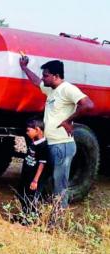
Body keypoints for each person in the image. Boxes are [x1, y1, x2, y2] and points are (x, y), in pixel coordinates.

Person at [19, 57, 94, 221]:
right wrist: (24, 68)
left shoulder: (68, 89)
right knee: (41, 181)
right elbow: (36, 81)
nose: (43, 78)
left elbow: (88, 104)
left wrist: (69, 120)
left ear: (56, 75)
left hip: (62, 146)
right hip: (50, 145)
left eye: (46, 75)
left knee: (59, 186)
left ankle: (57, 222)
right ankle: (32, 216)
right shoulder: (51, 89)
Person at [16, 118, 48, 225]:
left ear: (37, 130)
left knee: (31, 197)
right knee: (22, 194)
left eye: (28, 130)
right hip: (26, 174)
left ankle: (30, 219)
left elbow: (42, 163)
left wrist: (35, 180)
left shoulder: (43, 146)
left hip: (33, 177)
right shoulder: (33, 141)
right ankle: (24, 215)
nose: (27, 133)